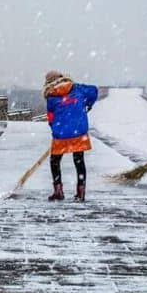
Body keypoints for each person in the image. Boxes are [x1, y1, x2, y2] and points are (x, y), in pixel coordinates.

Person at [43, 71, 98, 201]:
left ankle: (58, 191)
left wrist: (56, 130)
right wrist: (87, 105)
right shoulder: (77, 88)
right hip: (79, 131)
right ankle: (81, 193)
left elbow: (50, 117)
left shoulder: (51, 96)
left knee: (55, 161)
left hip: (61, 133)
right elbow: (94, 91)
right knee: (79, 161)